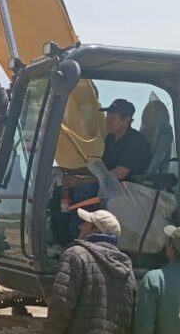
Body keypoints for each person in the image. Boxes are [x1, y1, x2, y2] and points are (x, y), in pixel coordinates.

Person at [61, 98, 153, 238]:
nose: (107, 121)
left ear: (126, 120)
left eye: (112, 118)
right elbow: (102, 168)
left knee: (82, 189)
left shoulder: (135, 142)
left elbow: (118, 174)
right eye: (107, 117)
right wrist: (72, 171)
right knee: (61, 189)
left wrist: (81, 181)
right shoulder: (111, 138)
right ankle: (60, 234)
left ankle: (76, 237)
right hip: (109, 184)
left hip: (127, 188)